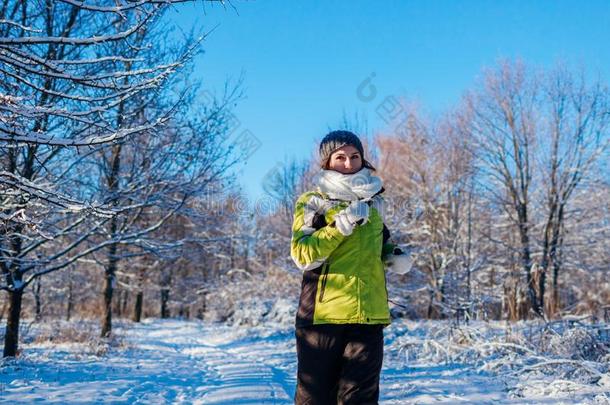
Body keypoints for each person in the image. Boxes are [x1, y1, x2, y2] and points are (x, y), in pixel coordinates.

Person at [290, 130, 411, 405]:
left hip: (368, 316)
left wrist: (394, 255)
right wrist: (338, 228)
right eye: (340, 157)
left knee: (361, 399)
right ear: (327, 162)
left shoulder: (374, 203)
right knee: (316, 400)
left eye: (354, 156)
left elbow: (382, 243)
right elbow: (302, 255)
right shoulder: (313, 201)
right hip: (322, 318)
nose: (348, 163)